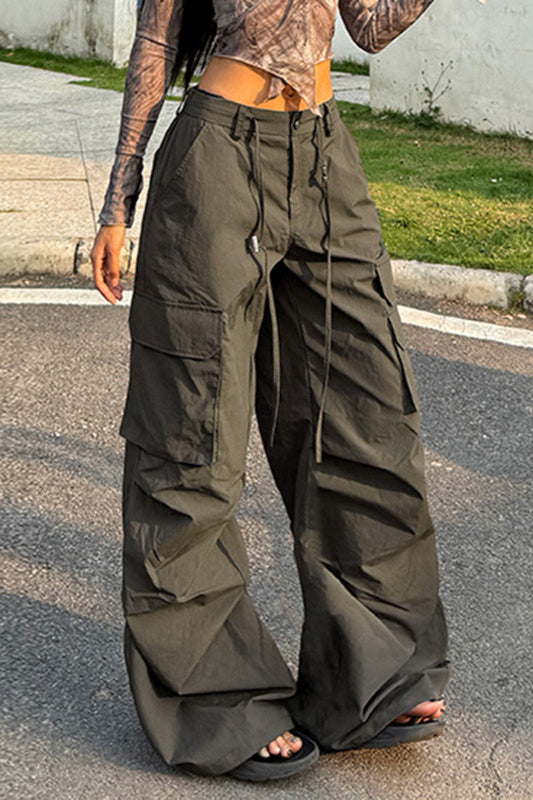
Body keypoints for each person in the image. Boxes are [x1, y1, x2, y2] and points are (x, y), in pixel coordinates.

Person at [90, 0, 450, 782]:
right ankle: (216, 697)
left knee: (363, 415)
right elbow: (155, 41)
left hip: (323, 156)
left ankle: (373, 676)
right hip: (217, 160)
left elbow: (370, 28)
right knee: (190, 435)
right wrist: (119, 201)